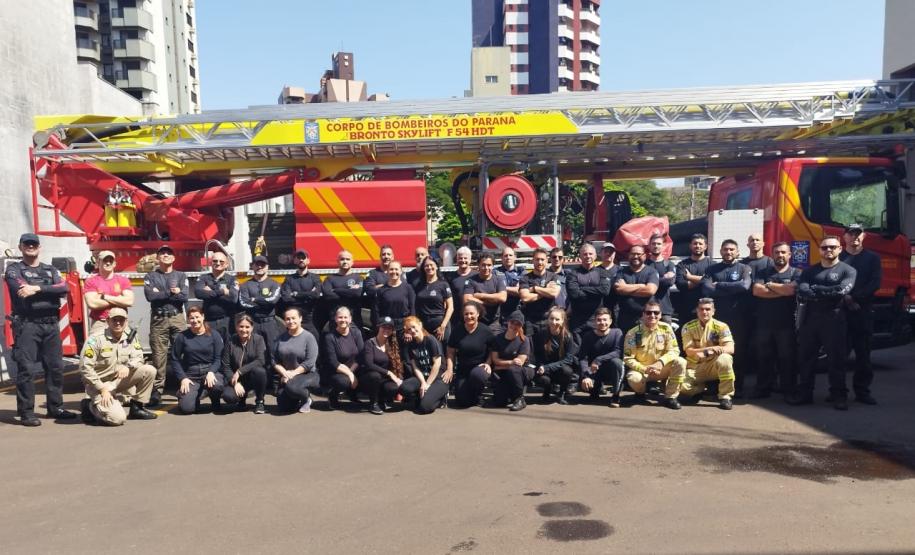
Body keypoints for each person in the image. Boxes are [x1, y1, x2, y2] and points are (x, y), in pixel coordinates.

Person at [5, 233, 76, 425]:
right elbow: (20, 289)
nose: (31, 247)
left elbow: (64, 288)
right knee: (26, 369)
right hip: (28, 324)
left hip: (51, 324)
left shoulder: (50, 269)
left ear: (39, 247)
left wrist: (36, 289)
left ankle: (56, 408)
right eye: (27, 244)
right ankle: (27, 412)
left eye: (34, 244)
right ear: (20, 247)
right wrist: (48, 289)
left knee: (55, 367)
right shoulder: (14, 270)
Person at [789, 236, 857, 410]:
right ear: (819, 250)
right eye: (825, 247)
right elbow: (802, 290)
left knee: (836, 360)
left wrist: (817, 289)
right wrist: (827, 292)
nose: (828, 250)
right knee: (806, 359)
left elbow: (841, 291)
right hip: (810, 320)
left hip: (834, 319)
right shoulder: (810, 271)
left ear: (840, 249)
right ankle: (805, 394)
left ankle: (838, 395)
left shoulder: (848, 270)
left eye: (832, 247)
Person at [78, 307, 157, 425]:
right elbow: (85, 368)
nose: (118, 323)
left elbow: (139, 357)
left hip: (117, 381)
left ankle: (137, 408)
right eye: (114, 320)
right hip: (99, 384)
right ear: (108, 321)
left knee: (149, 370)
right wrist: (102, 389)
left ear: (126, 321)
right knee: (117, 419)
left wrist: (128, 366)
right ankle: (89, 406)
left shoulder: (130, 335)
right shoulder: (95, 339)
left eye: (121, 320)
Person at [701, 239, 751, 396]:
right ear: (720, 251)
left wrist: (720, 285)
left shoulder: (744, 268)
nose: (728, 252)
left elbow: (744, 286)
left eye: (732, 249)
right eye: (725, 249)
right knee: (714, 350)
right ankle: (714, 385)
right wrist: (733, 288)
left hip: (738, 318)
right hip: (717, 319)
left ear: (737, 252)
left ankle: (737, 386)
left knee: (738, 352)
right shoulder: (712, 269)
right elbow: (707, 289)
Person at [750, 242, 800, 399]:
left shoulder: (796, 273)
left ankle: (788, 390)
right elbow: (757, 291)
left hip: (786, 324)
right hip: (764, 323)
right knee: (764, 357)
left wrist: (770, 285)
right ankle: (763, 388)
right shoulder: (763, 272)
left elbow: (791, 290)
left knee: (787, 358)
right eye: (777, 252)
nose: (780, 255)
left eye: (783, 252)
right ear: (772, 255)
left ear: (789, 255)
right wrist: (782, 290)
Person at [839, 224, 882, 405]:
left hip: (862, 312)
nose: (854, 237)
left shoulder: (872, 258)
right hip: (840, 312)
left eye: (858, 234)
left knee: (863, 355)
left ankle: (862, 391)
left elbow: (875, 283)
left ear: (864, 237)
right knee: (838, 355)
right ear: (844, 237)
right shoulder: (838, 258)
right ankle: (838, 392)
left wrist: (855, 297)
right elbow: (831, 281)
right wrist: (845, 298)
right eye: (851, 234)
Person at [143, 244, 189, 407]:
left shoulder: (181, 275)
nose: (165, 255)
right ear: (157, 258)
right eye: (162, 253)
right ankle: (157, 391)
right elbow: (150, 296)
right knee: (158, 356)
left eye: (169, 253)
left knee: (182, 353)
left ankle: (184, 386)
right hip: (158, 319)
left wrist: (161, 293)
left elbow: (184, 297)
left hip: (177, 317)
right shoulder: (151, 276)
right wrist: (171, 292)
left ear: (174, 258)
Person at [622, 300, 686, 410]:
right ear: (643, 315)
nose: (652, 315)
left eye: (656, 313)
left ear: (660, 315)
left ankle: (670, 397)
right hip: (643, 370)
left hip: (661, 368)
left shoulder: (666, 328)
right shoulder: (633, 333)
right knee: (634, 378)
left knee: (681, 361)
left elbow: (674, 350)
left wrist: (660, 363)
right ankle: (640, 393)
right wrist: (644, 369)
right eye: (648, 312)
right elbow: (628, 358)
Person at [679, 298, 736, 410]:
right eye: (701, 309)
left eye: (708, 309)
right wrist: (711, 349)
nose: (704, 312)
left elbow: (730, 348)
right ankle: (700, 390)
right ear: (697, 311)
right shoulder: (688, 327)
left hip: (713, 365)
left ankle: (725, 397)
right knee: (679, 387)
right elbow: (689, 351)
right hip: (695, 367)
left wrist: (707, 352)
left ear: (713, 311)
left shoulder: (722, 326)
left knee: (725, 358)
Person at [171, 305, 226, 415]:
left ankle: (215, 400)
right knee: (187, 408)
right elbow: (175, 359)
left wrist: (211, 372)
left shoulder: (214, 334)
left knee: (217, 385)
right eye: (191, 318)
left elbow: (218, 358)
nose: (195, 320)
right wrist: (183, 378)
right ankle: (189, 394)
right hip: (192, 374)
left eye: (197, 317)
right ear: (188, 320)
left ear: (203, 316)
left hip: (210, 370)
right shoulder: (182, 336)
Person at [738, 233, 774, 391]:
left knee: (764, 351)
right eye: (751, 240)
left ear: (763, 243)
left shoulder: (770, 263)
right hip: (743, 313)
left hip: (764, 313)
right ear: (747, 244)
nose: (754, 242)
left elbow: (772, 285)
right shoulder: (741, 264)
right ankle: (737, 385)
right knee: (741, 349)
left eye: (757, 240)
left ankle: (764, 386)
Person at [446, 301, 495, 407]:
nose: (469, 316)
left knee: (477, 375)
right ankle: (471, 396)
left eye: (472, 313)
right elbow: (450, 351)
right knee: (462, 401)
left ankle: (478, 394)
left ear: (478, 314)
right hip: (463, 370)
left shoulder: (485, 330)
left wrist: (488, 363)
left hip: (479, 368)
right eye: (466, 314)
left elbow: (493, 349)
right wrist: (450, 369)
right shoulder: (457, 330)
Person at [273, 307, 321, 413]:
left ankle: (306, 398)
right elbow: (274, 360)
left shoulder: (309, 337)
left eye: (293, 318)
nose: (291, 321)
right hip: (288, 375)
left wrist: (292, 374)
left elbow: (309, 362)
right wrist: (284, 373)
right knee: (284, 406)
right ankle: (296, 398)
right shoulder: (280, 338)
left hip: (308, 374)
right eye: (288, 319)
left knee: (292, 388)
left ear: (300, 318)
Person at [238, 255, 282, 370]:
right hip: (253, 323)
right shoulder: (245, 285)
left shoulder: (274, 284)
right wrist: (264, 302)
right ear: (252, 266)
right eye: (257, 264)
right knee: (253, 353)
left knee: (273, 352)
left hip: (270, 323)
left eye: (263, 264)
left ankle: (274, 379)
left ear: (267, 267)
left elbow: (273, 301)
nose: (260, 267)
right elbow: (244, 303)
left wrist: (255, 299)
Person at [220, 313, 268, 414]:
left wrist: (240, 371)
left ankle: (260, 401)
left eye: (247, 327)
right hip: (236, 379)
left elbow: (261, 360)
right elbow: (226, 365)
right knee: (228, 396)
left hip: (252, 377)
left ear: (252, 327)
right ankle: (241, 401)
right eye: (241, 326)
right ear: (236, 327)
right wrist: (235, 382)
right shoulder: (231, 341)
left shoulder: (258, 339)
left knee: (260, 371)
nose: (244, 329)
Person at [532, 307, 580, 405]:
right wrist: (540, 366)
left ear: (563, 321)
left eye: (557, 319)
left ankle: (562, 393)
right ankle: (547, 391)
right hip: (544, 369)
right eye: (551, 318)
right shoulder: (541, 334)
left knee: (567, 371)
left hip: (559, 368)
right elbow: (537, 354)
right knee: (544, 380)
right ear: (548, 319)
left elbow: (568, 360)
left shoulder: (568, 336)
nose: (554, 322)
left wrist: (547, 367)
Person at [401, 316, 448, 414]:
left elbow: (437, 364)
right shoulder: (411, 344)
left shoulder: (431, 340)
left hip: (438, 379)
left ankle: (441, 398)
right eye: (409, 329)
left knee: (425, 407)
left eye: (413, 327)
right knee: (404, 388)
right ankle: (422, 397)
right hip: (423, 377)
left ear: (420, 325)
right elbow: (415, 367)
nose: (412, 330)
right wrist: (423, 382)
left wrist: (427, 384)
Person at [577, 308, 624, 407]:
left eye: (605, 320)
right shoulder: (588, 336)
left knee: (617, 362)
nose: (602, 322)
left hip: (610, 370)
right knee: (589, 390)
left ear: (610, 321)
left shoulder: (617, 332)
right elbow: (583, 358)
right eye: (599, 320)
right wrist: (586, 376)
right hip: (594, 371)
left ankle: (616, 395)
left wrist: (598, 359)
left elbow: (618, 352)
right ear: (594, 322)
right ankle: (595, 389)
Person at [488, 311, 532, 411]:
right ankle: (509, 395)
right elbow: (495, 360)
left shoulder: (524, 340)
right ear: (508, 322)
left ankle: (520, 398)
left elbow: (519, 363)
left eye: (518, 324)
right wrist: (510, 362)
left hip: (521, 372)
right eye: (512, 322)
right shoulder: (498, 338)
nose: (514, 325)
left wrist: (500, 365)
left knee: (513, 370)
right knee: (499, 402)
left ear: (521, 326)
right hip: (504, 372)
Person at [359, 316, 404, 414]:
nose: (386, 330)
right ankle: (373, 403)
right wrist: (389, 373)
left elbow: (397, 364)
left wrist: (398, 378)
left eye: (389, 328)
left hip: (383, 379)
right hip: (368, 378)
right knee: (375, 376)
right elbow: (369, 364)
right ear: (378, 327)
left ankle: (381, 400)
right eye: (384, 327)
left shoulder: (392, 344)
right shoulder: (369, 343)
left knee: (394, 387)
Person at [83, 250, 134, 337]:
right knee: (94, 346)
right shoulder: (91, 281)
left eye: (111, 261)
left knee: (126, 346)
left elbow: (129, 301)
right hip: (100, 323)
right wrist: (119, 299)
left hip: (120, 323)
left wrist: (105, 297)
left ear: (115, 264)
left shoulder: (123, 280)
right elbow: (92, 304)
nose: (108, 263)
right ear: (98, 263)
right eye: (105, 261)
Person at [324, 306, 366, 410]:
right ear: (335, 319)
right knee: (343, 382)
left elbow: (361, 355)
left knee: (370, 377)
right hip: (337, 371)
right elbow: (333, 362)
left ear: (350, 319)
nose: (343, 320)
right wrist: (350, 374)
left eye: (345, 317)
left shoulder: (356, 332)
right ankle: (332, 396)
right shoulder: (329, 337)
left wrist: (352, 371)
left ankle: (352, 394)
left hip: (354, 368)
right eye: (340, 317)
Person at [566, 243, 612, 334]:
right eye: (585, 254)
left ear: (595, 256)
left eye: (590, 254)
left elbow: (604, 291)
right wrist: (595, 292)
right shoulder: (573, 274)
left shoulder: (603, 272)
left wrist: (582, 288)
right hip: (577, 321)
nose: (588, 256)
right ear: (580, 256)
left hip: (596, 320)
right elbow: (574, 294)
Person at [614, 244, 660, 332]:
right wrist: (641, 286)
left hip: (646, 318)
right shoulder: (621, 272)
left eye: (639, 254)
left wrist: (626, 287)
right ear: (628, 255)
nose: (635, 256)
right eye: (633, 254)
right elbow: (619, 289)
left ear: (644, 256)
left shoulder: (652, 272)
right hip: (625, 319)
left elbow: (650, 291)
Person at [193, 250, 238, 341]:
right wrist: (222, 292)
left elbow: (233, 298)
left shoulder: (232, 279)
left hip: (226, 321)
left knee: (227, 347)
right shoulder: (204, 278)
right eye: (215, 261)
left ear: (226, 264)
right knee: (208, 347)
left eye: (221, 261)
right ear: (211, 262)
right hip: (208, 321)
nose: (218, 263)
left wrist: (210, 291)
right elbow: (198, 293)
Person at [280, 249, 322, 338]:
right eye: (298, 258)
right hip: (294, 319)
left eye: (303, 258)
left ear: (308, 260)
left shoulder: (315, 278)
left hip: (310, 318)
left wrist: (295, 294)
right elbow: (286, 298)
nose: (301, 260)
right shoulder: (289, 279)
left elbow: (316, 295)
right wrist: (308, 295)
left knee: (315, 340)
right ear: (295, 261)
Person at [519, 248, 560, 336]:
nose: (540, 262)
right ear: (532, 261)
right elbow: (525, 298)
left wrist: (535, 288)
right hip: (530, 321)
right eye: (537, 259)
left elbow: (554, 293)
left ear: (547, 261)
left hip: (548, 320)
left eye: (542, 259)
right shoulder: (525, 278)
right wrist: (546, 291)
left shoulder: (553, 276)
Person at [463, 253, 507, 333]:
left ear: (493, 266)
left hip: (494, 323)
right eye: (483, 265)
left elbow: (502, 297)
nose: (486, 268)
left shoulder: (498, 279)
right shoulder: (470, 281)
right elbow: (467, 299)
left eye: (489, 265)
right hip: (476, 322)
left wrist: (480, 295)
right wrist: (488, 303)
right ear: (478, 266)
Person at [674, 233, 713, 324]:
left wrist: (690, 277)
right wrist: (704, 281)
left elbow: (712, 282)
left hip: (706, 311)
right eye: (695, 243)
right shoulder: (682, 265)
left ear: (705, 246)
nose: (697, 246)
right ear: (690, 246)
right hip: (687, 310)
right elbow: (681, 285)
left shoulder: (712, 265)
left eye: (700, 244)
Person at [413, 256, 454, 343]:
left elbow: (450, 307)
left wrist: (443, 326)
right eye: (426, 266)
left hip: (440, 323)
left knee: (442, 349)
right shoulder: (419, 285)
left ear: (436, 267)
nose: (429, 267)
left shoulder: (443, 284)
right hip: (424, 325)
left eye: (431, 265)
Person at [322, 250, 365, 330]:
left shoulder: (359, 278)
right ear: (338, 261)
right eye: (342, 259)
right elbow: (328, 296)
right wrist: (349, 292)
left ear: (352, 262)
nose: (345, 261)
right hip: (335, 322)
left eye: (348, 259)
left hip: (354, 321)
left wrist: (336, 290)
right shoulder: (329, 279)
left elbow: (357, 294)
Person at [375, 260, 415, 331]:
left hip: (404, 326)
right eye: (391, 269)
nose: (394, 271)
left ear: (401, 271)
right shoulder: (381, 290)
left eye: (396, 269)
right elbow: (377, 311)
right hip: (387, 326)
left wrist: (410, 327)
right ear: (387, 271)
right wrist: (380, 326)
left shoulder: (408, 288)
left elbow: (412, 309)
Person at [646, 234, 676, 322]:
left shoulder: (669, 265)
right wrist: (663, 278)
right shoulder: (644, 265)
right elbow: (640, 281)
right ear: (649, 246)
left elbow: (669, 282)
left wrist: (650, 282)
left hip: (665, 310)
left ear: (663, 246)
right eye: (653, 243)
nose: (656, 246)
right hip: (647, 309)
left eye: (659, 244)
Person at [364, 244, 395, 326]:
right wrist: (390, 286)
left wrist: (379, 286)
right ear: (380, 256)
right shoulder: (372, 273)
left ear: (393, 257)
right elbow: (370, 290)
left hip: (395, 315)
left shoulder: (398, 273)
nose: (386, 256)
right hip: (378, 316)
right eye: (383, 254)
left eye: (388, 254)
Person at [447, 246, 477, 330]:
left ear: (470, 259)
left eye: (465, 258)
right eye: (460, 258)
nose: (463, 260)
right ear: (456, 259)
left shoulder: (476, 275)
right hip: (455, 319)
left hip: (473, 317)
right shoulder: (450, 277)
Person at [496, 246, 525, 324]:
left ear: (515, 257)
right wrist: (513, 289)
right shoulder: (495, 272)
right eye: (505, 255)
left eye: (510, 255)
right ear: (501, 258)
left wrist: (501, 288)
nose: (508, 257)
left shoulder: (521, 271)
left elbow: (520, 291)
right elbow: (492, 289)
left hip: (516, 312)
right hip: (499, 313)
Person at [599, 243, 619, 325]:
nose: (608, 254)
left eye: (611, 252)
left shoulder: (621, 271)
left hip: (617, 310)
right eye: (605, 251)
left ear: (614, 254)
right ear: (600, 253)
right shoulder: (595, 271)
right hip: (600, 311)